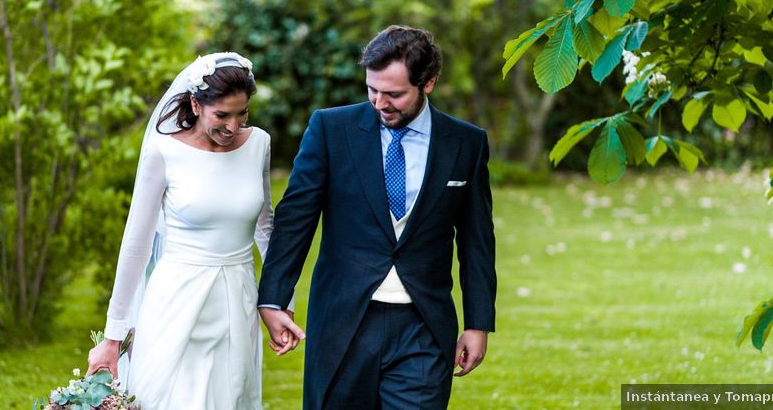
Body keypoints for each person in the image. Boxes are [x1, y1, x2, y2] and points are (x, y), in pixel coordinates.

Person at [257, 25, 497, 409]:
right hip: (343, 323)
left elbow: (477, 241)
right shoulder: (331, 129)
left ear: (429, 83)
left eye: (394, 94)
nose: (380, 102)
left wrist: (477, 322)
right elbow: (296, 219)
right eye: (372, 90)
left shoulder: (466, 143)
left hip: (424, 327)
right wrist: (272, 297)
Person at [87, 52, 289, 410]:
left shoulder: (258, 144)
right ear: (196, 104)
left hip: (237, 298)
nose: (232, 126)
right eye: (222, 115)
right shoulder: (164, 152)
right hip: (176, 299)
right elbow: (136, 245)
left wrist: (279, 303)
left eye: (242, 113)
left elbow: (265, 227)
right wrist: (113, 336)